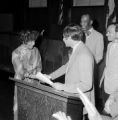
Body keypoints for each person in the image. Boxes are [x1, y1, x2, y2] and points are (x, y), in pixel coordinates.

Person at [100, 24, 118, 112]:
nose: (106, 34)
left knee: (112, 112)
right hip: (106, 84)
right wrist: (102, 79)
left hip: (116, 88)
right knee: (105, 108)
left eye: (109, 32)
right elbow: (107, 65)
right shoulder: (109, 45)